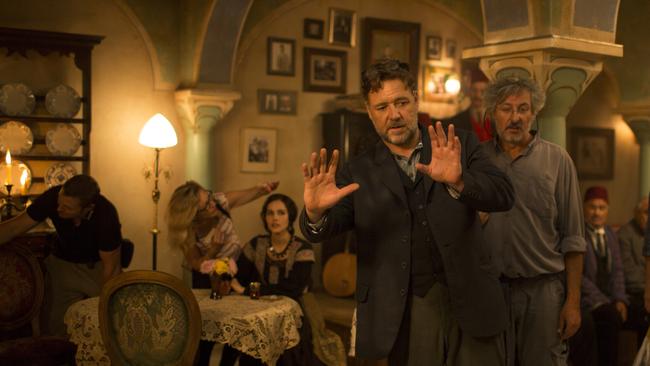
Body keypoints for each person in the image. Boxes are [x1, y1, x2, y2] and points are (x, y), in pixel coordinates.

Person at [299, 58, 515, 365]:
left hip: (474, 300)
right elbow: (322, 229)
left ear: (416, 99)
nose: (394, 114)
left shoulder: (460, 144)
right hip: (406, 308)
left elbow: (504, 195)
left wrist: (459, 180)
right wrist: (315, 213)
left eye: (401, 102)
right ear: (369, 112)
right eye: (382, 106)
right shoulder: (358, 170)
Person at [480, 76, 586, 366]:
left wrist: (573, 302)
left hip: (543, 294)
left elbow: (574, 239)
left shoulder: (558, 161)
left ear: (534, 112)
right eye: (506, 108)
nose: (515, 117)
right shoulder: (477, 161)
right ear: (492, 113)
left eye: (523, 108)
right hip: (490, 292)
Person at [223, 193, 345, 366]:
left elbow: (293, 289)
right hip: (259, 312)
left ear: (291, 216)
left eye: (281, 213)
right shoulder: (256, 244)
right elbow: (239, 278)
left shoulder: (302, 248)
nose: (275, 218)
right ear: (264, 218)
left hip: (292, 313)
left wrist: (249, 291)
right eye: (270, 213)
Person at [166, 180, 278, 366]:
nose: (213, 203)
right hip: (208, 277)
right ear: (194, 216)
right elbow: (196, 264)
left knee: (241, 325)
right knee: (206, 334)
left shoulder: (218, 201)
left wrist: (262, 189)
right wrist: (213, 249)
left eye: (209, 196)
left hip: (238, 268)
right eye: (206, 205)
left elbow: (245, 194)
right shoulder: (188, 231)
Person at [0, 174, 123, 336]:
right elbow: (15, 227)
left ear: (88, 208)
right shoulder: (53, 197)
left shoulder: (106, 215)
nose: (59, 209)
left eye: (67, 208)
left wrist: (104, 302)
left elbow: (111, 267)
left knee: (108, 323)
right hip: (62, 265)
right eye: (59, 203)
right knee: (54, 327)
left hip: (97, 268)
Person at [569, 186, 627, 366]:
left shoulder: (611, 234)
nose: (597, 213)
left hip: (608, 299)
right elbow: (579, 275)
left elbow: (618, 270)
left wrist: (620, 299)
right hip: (586, 298)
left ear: (607, 210)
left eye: (602, 208)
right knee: (610, 316)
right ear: (584, 208)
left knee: (618, 313)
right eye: (592, 207)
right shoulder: (578, 233)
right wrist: (604, 301)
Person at [618, 196, 649, 345]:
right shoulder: (625, 234)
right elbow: (630, 275)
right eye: (646, 212)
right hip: (633, 294)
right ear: (635, 213)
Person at [442, 67, 492, 141]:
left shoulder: (495, 121)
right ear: (469, 91)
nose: (478, 95)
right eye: (474, 90)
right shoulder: (457, 121)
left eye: (483, 91)